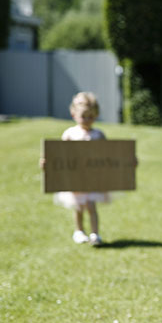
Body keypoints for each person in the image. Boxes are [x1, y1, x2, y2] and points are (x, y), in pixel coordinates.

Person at [49, 91, 110, 246]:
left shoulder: (99, 135)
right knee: (78, 206)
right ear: (74, 114)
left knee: (91, 205)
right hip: (75, 178)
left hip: (93, 178)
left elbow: (110, 155)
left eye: (91, 116)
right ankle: (79, 231)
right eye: (84, 116)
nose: (88, 120)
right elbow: (59, 155)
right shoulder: (70, 133)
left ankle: (95, 234)